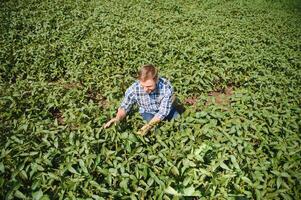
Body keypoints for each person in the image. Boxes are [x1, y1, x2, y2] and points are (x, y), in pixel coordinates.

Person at [103, 64, 180, 135]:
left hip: (166, 110)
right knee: (155, 130)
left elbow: (163, 112)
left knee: (179, 122)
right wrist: (117, 118)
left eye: (149, 86)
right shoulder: (134, 89)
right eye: (143, 86)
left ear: (157, 79)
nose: (145, 89)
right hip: (147, 111)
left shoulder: (166, 87)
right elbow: (125, 106)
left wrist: (148, 125)